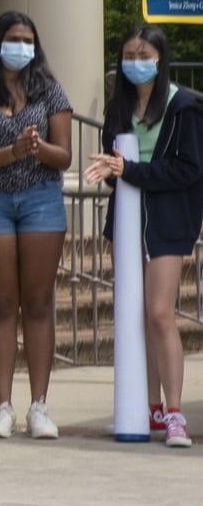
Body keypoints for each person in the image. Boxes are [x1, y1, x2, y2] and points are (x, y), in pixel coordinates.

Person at [0, 12, 74, 440]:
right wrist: (12, 150)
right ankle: (2, 406)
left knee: (38, 301)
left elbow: (65, 157)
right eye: (12, 38)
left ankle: (39, 406)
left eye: (27, 38)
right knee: (3, 303)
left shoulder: (50, 91)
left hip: (41, 199)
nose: (20, 45)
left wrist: (36, 150)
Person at [86, 25, 203, 447]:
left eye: (144, 54)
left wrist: (129, 171)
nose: (136, 62)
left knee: (158, 313)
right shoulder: (118, 108)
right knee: (132, 313)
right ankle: (146, 406)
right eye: (129, 55)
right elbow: (116, 167)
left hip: (168, 222)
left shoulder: (183, 107)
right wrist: (108, 170)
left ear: (160, 58)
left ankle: (174, 412)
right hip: (127, 218)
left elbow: (187, 170)